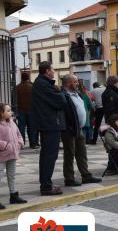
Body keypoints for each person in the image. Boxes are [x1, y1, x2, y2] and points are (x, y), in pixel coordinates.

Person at [31, 61, 66, 195]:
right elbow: (60, 101)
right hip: (49, 124)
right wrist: (60, 92)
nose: (53, 71)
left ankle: (47, 183)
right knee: (49, 155)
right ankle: (46, 186)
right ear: (47, 71)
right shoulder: (43, 85)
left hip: (47, 123)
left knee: (48, 155)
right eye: (52, 69)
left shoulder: (41, 84)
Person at [60, 74, 102, 186]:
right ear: (69, 83)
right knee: (69, 154)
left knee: (82, 153)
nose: (78, 84)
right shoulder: (63, 96)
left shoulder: (77, 94)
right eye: (75, 82)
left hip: (79, 128)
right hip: (69, 129)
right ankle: (69, 178)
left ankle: (86, 175)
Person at [0, 103, 27, 208]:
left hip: (12, 153)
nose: (10, 112)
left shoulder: (12, 122)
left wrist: (20, 142)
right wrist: (6, 145)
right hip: (2, 155)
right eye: (7, 111)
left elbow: (18, 133)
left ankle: (14, 195)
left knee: (12, 176)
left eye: (10, 110)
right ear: (1, 113)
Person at [15, 71, 39, 148]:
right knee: (32, 128)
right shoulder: (32, 86)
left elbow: (14, 99)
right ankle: (33, 144)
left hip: (20, 110)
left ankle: (21, 144)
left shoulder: (17, 87)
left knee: (21, 128)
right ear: (28, 77)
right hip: (31, 110)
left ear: (22, 78)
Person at [78, 80, 94, 144]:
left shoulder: (73, 95)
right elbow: (91, 106)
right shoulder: (84, 95)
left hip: (78, 116)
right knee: (85, 129)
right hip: (85, 114)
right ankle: (86, 141)